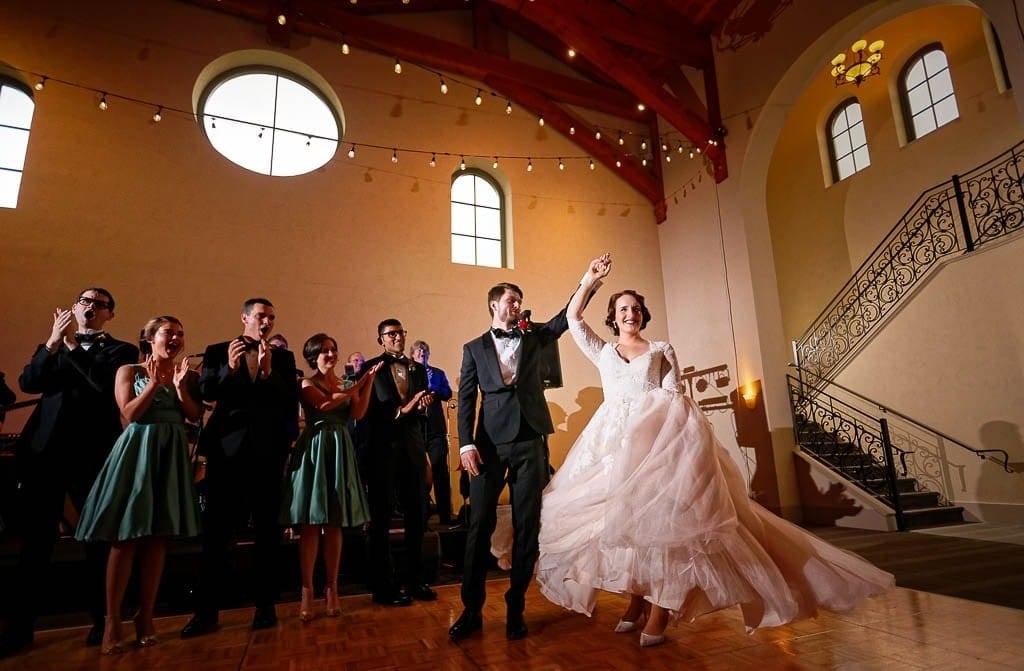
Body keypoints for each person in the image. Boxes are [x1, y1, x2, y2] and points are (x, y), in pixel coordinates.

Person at [536, 254, 895, 647]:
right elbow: (572, 319)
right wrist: (589, 279)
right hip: (611, 449)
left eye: (636, 309)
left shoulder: (660, 349)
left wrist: (671, 448)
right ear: (613, 316)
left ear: (643, 315)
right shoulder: (603, 352)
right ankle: (636, 602)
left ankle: (660, 611)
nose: (630, 315)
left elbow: (674, 397)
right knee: (624, 528)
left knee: (663, 528)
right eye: (623, 309)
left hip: (657, 449)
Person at [0, 288, 139, 657]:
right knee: (35, 543)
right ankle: (20, 628)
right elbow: (29, 383)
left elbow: (98, 385)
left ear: (110, 314)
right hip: (44, 454)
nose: (90, 307)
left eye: (99, 304)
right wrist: (50, 343)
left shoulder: (121, 352)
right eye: (84, 302)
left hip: (90, 455)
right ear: (75, 309)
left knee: (95, 541)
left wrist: (71, 348)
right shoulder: (54, 346)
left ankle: (102, 620)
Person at [449, 278, 589, 641]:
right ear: (494, 304)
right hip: (488, 447)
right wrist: (466, 445)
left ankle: (516, 607)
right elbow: (466, 399)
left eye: (520, 300)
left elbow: (564, 318)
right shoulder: (474, 348)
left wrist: (589, 280)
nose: (518, 305)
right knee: (479, 526)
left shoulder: (534, 336)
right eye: (512, 300)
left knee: (528, 527)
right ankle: (471, 610)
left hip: (530, 440)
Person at [74, 316, 202, 654]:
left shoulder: (186, 375)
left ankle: (146, 616)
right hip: (138, 453)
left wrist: (177, 387)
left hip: (171, 454)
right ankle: (112, 620)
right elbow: (129, 415)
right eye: (167, 333)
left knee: (159, 539)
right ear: (149, 339)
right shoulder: (129, 370)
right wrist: (154, 385)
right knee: (126, 537)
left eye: (180, 333)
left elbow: (193, 414)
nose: (175, 338)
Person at [180, 298, 299, 638]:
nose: (267, 322)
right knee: (217, 533)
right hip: (226, 450)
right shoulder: (219, 350)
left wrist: (265, 371)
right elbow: (205, 393)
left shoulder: (283, 357)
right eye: (261, 316)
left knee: (267, 531)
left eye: (271, 317)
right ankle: (206, 612)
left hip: (268, 450)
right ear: (245, 317)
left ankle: (265, 607)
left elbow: (287, 400)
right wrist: (229, 370)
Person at [280, 333, 380, 622]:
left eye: (333, 349)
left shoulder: (348, 384)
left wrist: (368, 383)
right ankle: (307, 589)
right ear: (313, 356)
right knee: (312, 523)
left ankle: (332, 588)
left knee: (334, 522)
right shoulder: (306, 382)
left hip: (340, 448)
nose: (331, 354)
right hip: (314, 448)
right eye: (324, 351)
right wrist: (358, 385)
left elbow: (358, 412)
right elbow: (323, 405)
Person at [359, 319, 435, 606]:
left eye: (401, 332)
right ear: (381, 339)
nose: (398, 338)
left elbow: (419, 409)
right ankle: (384, 586)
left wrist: (421, 407)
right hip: (383, 450)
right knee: (380, 520)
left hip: (413, 449)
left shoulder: (417, 368)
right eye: (391, 334)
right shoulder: (371, 368)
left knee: (418, 515)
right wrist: (404, 410)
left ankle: (415, 579)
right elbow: (370, 412)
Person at [410, 340, 454, 525]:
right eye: (419, 352)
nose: (422, 353)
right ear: (412, 355)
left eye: (425, 351)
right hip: (416, 429)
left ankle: (445, 515)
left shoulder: (437, 373)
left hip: (435, 429)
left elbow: (448, 392)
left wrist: (432, 388)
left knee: (440, 470)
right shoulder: (408, 374)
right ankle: (421, 514)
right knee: (417, 473)